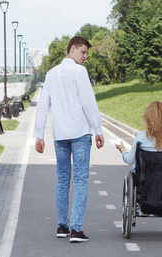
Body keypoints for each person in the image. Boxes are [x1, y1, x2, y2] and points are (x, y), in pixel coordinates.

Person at [35, 36, 105, 243]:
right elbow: (88, 102)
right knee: (81, 180)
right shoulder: (79, 72)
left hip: (60, 135)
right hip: (80, 134)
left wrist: (40, 134)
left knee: (63, 179)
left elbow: (42, 105)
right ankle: (76, 229)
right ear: (72, 49)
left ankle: (62, 226)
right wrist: (98, 129)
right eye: (83, 52)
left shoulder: (51, 74)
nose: (85, 57)